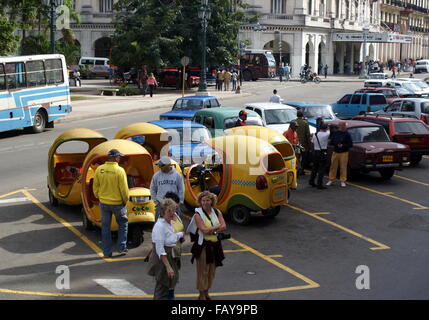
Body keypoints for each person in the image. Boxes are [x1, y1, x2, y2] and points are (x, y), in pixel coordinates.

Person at [186, 191, 226, 300]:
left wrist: (212, 230)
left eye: (207, 200)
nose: (205, 202)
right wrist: (216, 229)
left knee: (211, 271)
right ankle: (201, 294)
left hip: (215, 245)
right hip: (203, 246)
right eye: (203, 200)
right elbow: (204, 230)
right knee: (202, 271)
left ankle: (207, 292)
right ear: (200, 202)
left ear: (212, 201)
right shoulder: (197, 215)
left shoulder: (217, 212)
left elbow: (224, 226)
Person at [93, 149, 129, 258]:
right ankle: (121, 248)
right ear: (115, 158)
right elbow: (124, 190)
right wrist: (125, 201)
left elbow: (95, 187)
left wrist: (99, 196)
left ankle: (107, 252)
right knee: (123, 223)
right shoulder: (119, 170)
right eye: (119, 157)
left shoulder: (99, 169)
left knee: (105, 228)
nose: (120, 158)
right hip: (117, 203)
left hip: (103, 203)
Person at [147, 198, 185, 300]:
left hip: (171, 257)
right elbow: (160, 249)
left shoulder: (168, 222)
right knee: (162, 288)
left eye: (173, 210)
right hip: (163, 261)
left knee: (170, 287)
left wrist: (179, 235)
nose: (172, 213)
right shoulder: (160, 226)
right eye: (169, 211)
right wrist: (168, 267)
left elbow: (169, 238)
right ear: (163, 212)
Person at [150, 156, 185, 220]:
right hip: (160, 204)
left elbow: (181, 189)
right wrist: (156, 202)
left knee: (175, 225)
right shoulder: (156, 175)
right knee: (159, 224)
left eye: (162, 165)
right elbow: (152, 189)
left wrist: (179, 202)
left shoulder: (177, 175)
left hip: (174, 204)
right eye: (159, 165)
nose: (160, 167)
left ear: (168, 165)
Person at [326, 120, 353, 187]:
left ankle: (343, 180)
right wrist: (336, 144)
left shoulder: (347, 134)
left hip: (344, 152)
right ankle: (331, 179)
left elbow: (350, 144)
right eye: (342, 125)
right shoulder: (335, 133)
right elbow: (331, 142)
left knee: (343, 167)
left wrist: (343, 145)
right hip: (335, 151)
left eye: (344, 125)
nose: (343, 126)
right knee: (333, 166)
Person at [309, 123, 330, 189]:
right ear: (326, 128)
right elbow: (330, 132)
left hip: (316, 152)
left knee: (314, 168)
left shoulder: (315, 134)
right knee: (322, 168)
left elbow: (312, 143)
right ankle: (319, 184)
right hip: (323, 152)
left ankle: (311, 181)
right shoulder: (326, 134)